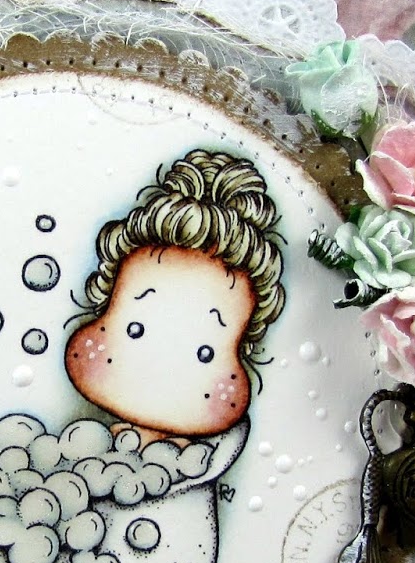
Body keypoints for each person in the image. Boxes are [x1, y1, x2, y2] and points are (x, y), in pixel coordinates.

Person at [65, 149, 286, 443]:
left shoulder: (204, 460)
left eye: (204, 353)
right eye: (135, 329)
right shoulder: (82, 443)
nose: (156, 368)